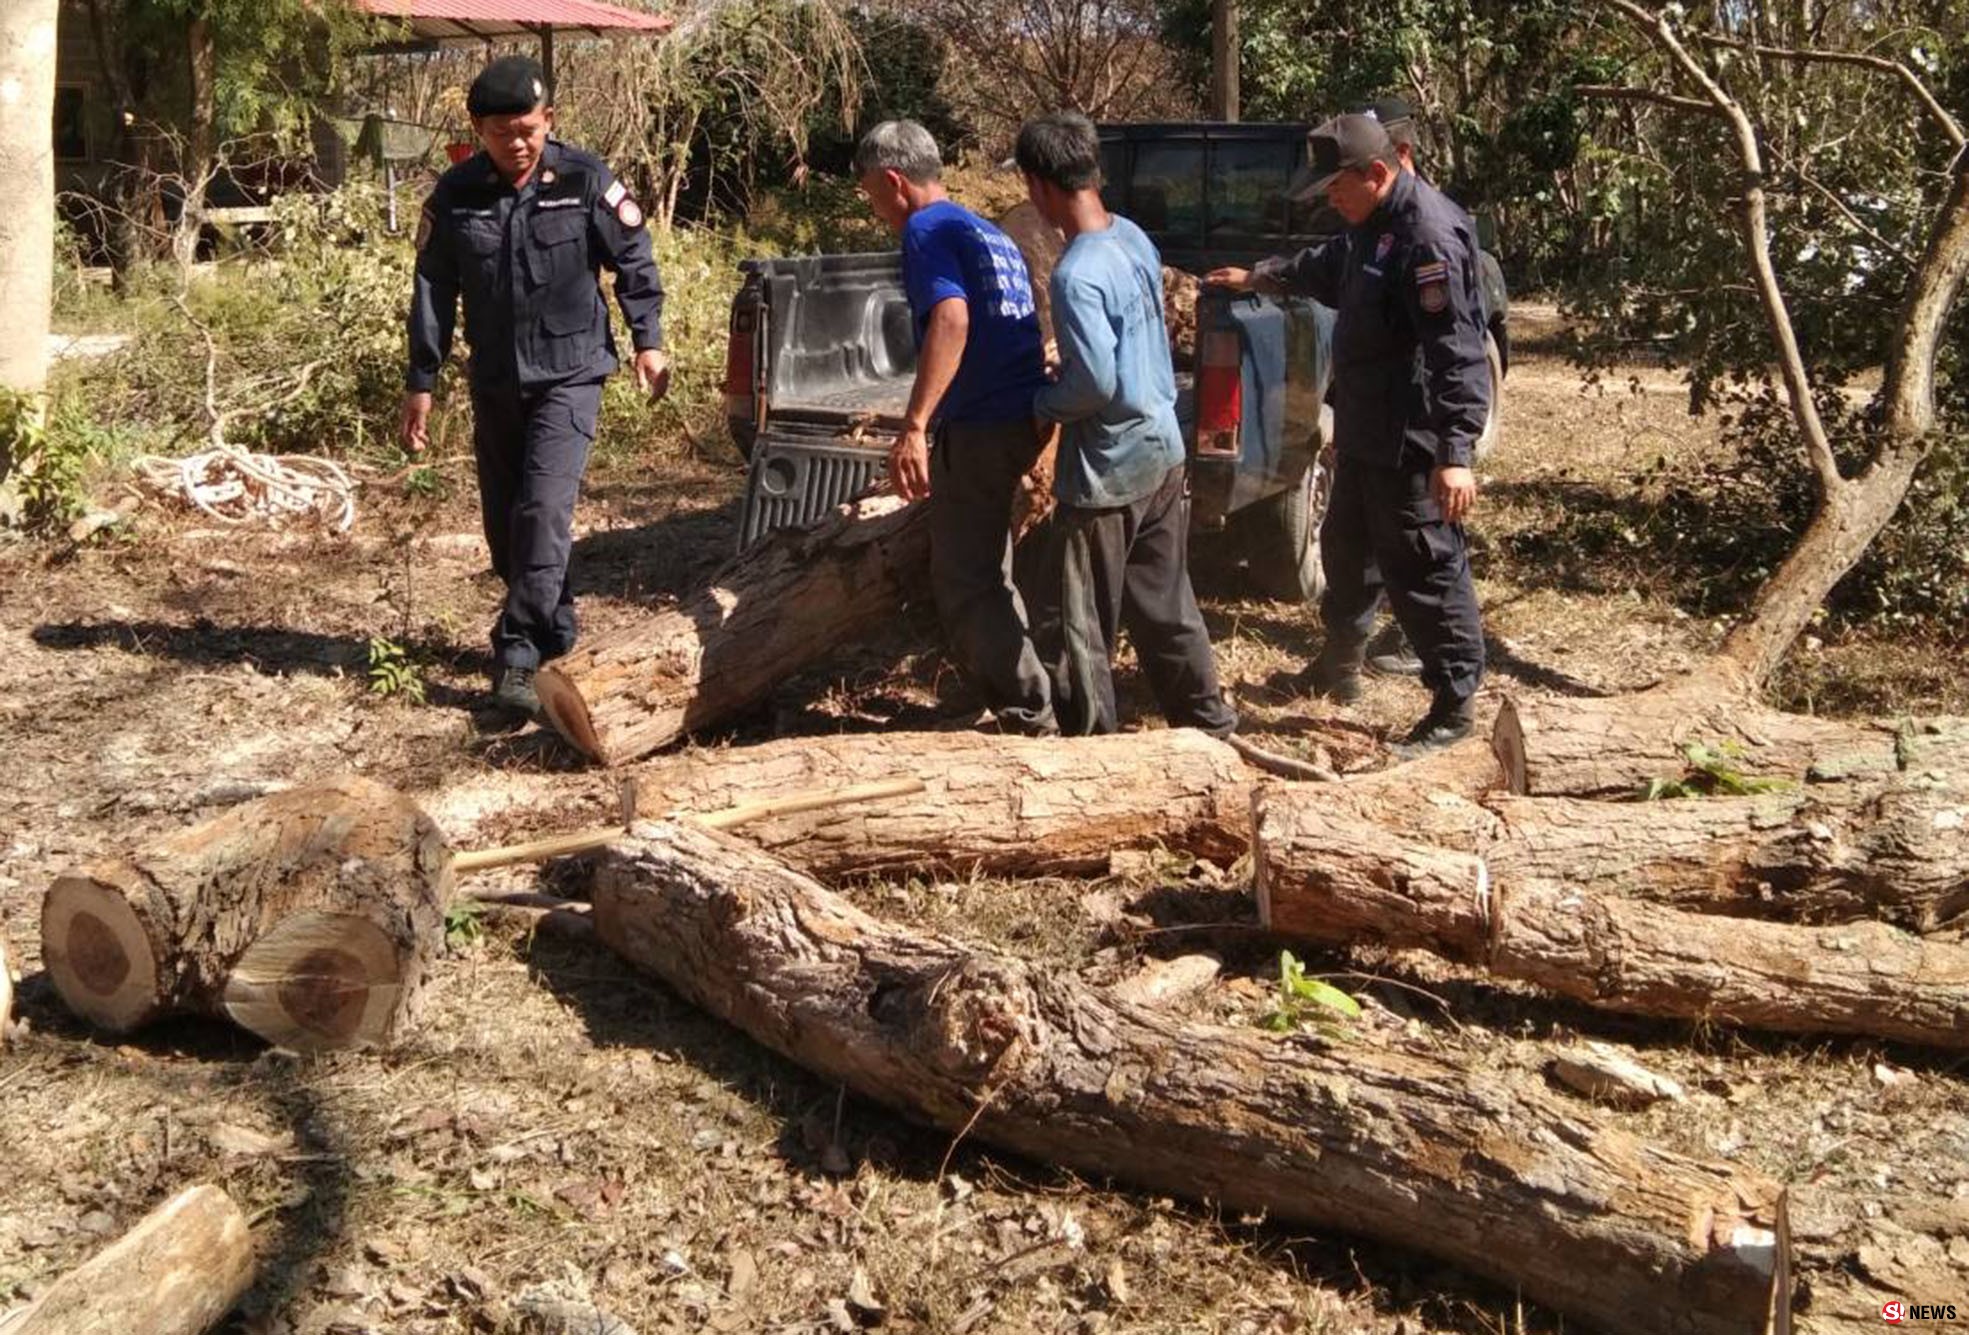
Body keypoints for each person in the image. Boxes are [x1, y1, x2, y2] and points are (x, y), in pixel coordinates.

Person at [1207, 114, 1489, 755]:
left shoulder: (1428, 237)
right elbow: (1328, 264)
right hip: (1364, 430)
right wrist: (1262, 277)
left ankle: (1453, 706)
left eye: (1336, 187)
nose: (1329, 200)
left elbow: (1458, 351)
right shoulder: (1371, 225)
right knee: (1348, 553)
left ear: (1378, 172)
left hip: (1411, 440)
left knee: (1426, 568)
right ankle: (1339, 666)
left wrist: (1456, 452)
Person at [401, 55, 668, 721]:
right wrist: (421, 380)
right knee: (505, 530)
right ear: (476, 129)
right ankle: (558, 633)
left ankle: (516, 652)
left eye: (528, 127)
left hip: (571, 373)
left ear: (548, 121)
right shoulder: (455, 194)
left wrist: (648, 338)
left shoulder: (583, 179)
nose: (518, 141)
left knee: (543, 513)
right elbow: (432, 288)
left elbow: (632, 257)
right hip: (496, 380)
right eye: (501, 130)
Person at [1014, 111, 1237, 738]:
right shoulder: (1132, 238)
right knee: (1167, 604)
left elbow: (1095, 386)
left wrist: (1043, 403)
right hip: (1164, 449)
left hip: (1109, 471)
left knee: (1081, 623)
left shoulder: (1075, 272)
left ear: (1039, 185)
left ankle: (1091, 748)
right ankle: (1208, 726)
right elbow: (1131, 336)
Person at [853, 119, 1058, 736]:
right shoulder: (983, 228)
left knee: (967, 578)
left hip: (983, 423)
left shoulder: (925, 228)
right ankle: (1010, 693)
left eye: (870, 194)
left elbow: (951, 319)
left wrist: (915, 425)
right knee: (990, 569)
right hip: (1021, 412)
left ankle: (1028, 714)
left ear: (894, 181)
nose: (874, 209)